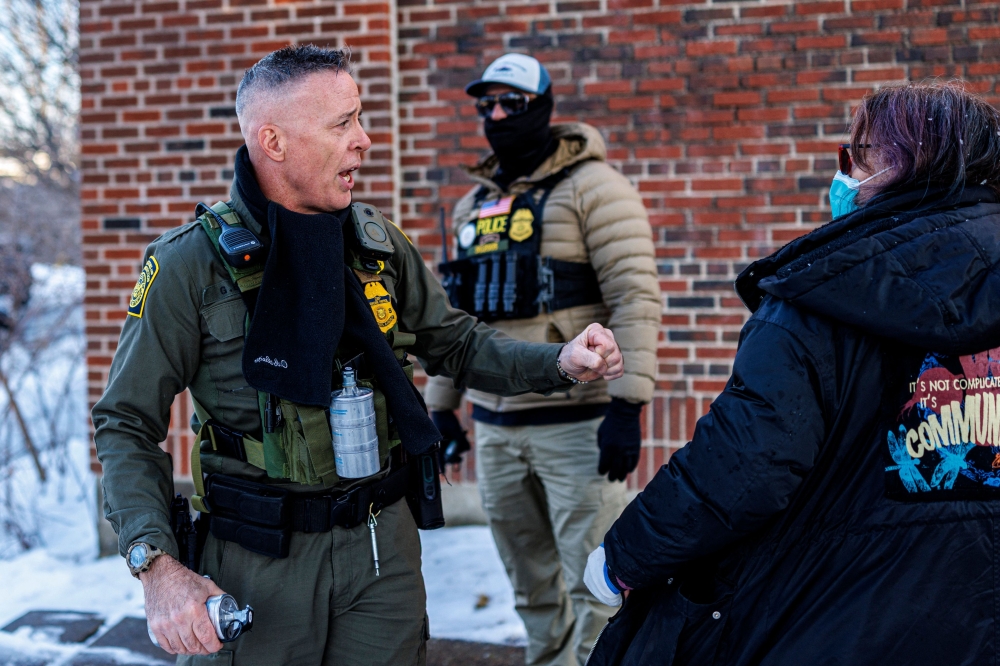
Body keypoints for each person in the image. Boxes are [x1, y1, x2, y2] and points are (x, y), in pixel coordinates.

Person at [91, 45, 627, 666]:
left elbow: (455, 341)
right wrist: (157, 569)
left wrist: (560, 362)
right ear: (275, 140)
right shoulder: (190, 265)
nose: (364, 140)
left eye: (360, 118)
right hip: (255, 566)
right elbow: (126, 421)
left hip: (381, 553)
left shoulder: (375, 242)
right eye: (342, 123)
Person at [583, 82, 1000, 665]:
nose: (845, 174)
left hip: (832, 613)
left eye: (855, 156)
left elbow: (747, 462)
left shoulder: (819, 292)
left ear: (902, 163)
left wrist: (625, 554)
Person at [424, 53, 661, 666]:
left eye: (513, 104)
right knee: (528, 586)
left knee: (598, 585)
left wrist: (628, 406)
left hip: (576, 429)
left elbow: (635, 295)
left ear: (545, 109)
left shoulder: (595, 189)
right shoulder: (471, 208)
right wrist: (442, 407)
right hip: (498, 434)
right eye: (487, 105)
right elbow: (455, 321)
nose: (497, 116)